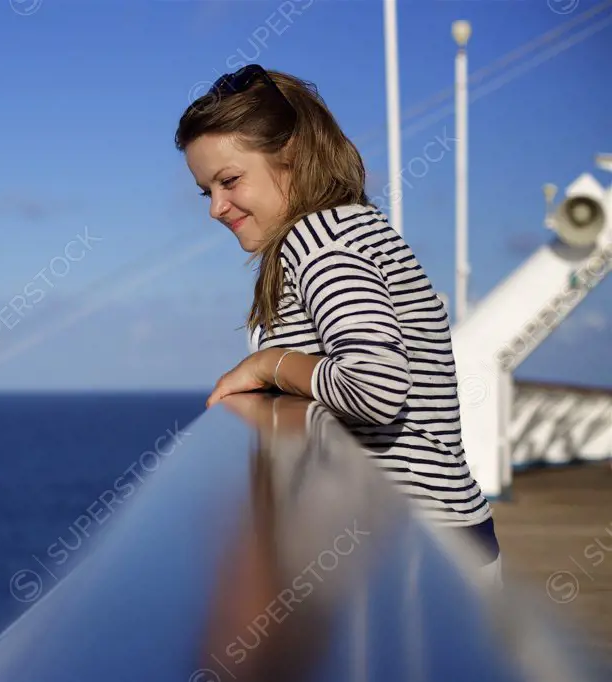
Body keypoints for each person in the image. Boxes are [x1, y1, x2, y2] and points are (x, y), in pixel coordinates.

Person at [175, 65, 502, 587]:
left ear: (294, 157)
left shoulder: (322, 244)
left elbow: (375, 388)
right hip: (433, 538)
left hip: (414, 547)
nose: (215, 208)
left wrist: (269, 364)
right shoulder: (348, 227)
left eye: (229, 180)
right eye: (205, 191)